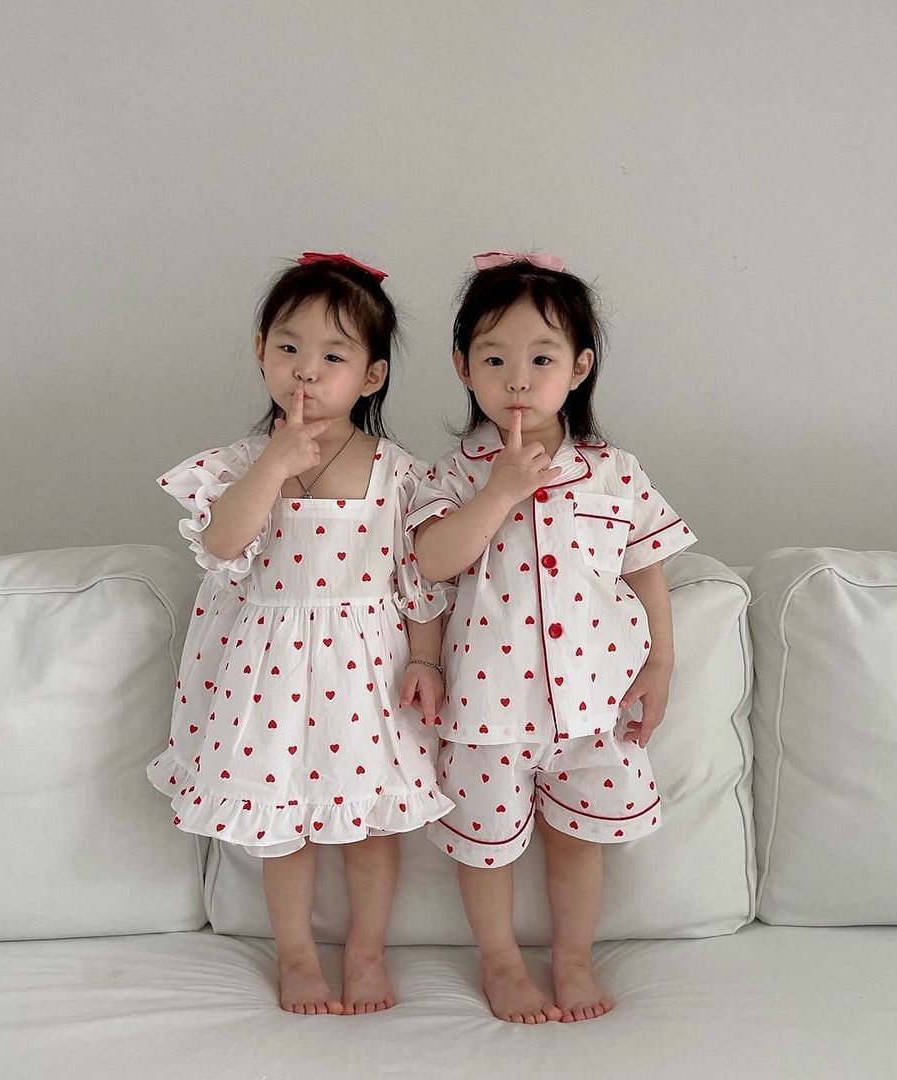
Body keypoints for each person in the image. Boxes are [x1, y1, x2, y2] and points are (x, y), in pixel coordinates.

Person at [148, 252, 452, 1015]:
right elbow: (222, 543)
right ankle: (295, 957)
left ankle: (366, 951)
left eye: (332, 356)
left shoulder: (398, 472)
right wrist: (275, 462)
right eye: (289, 347)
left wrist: (424, 658)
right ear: (261, 351)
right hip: (269, 677)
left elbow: (420, 579)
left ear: (371, 376)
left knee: (371, 827)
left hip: (367, 675)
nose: (306, 370)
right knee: (285, 826)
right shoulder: (239, 464)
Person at [408, 251, 697, 1024]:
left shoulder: (613, 471)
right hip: (487, 710)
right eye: (495, 358)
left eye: (542, 358)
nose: (519, 379)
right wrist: (501, 491)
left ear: (579, 367)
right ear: (463, 367)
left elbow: (646, 569)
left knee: (579, 841)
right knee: (486, 845)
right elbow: (431, 562)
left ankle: (573, 958)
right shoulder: (451, 474)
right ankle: (501, 963)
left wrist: (662, 663)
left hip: (594, 705)